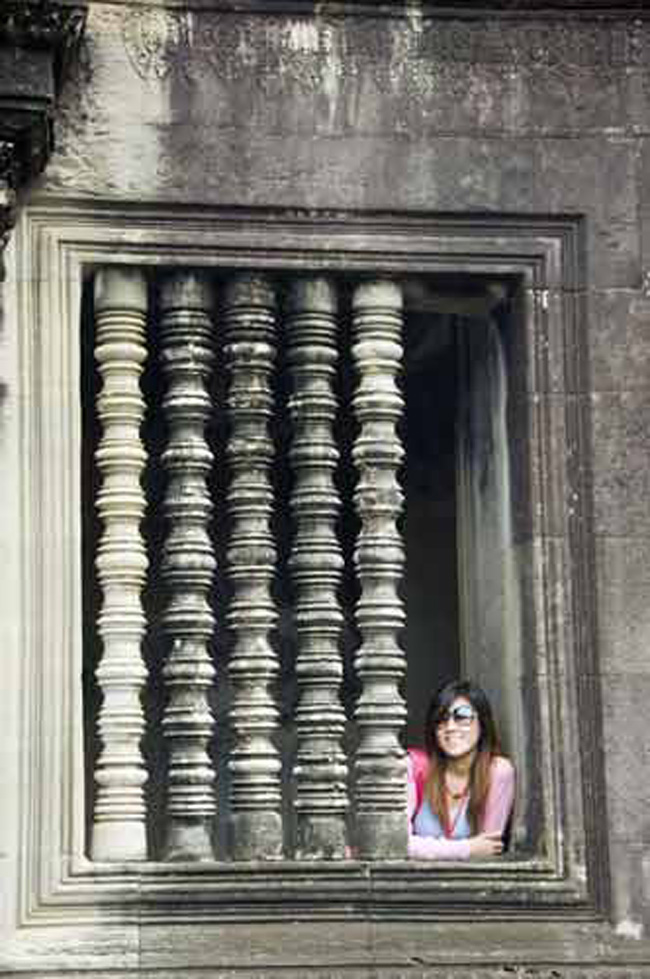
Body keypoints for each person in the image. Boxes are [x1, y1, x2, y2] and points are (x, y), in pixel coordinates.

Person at [408, 679, 515, 860]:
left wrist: (425, 848)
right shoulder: (414, 766)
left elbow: (489, 850)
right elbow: (396, 844)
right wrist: (467, 848)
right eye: (441, 719)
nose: (450, 727)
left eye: (462, 716)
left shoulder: (498, 772)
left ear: (482, 723)